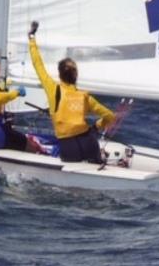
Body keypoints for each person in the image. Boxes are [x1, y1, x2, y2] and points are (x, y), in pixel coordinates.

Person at [28, 21, 115, 163]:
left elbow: (38, 64)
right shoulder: (85, 97)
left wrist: (31, 38)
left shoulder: (53, 89)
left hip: (68, 147)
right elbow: (110, 116)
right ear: (76, 75)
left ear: (60, 74)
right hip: (89, 142)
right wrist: (96, 126)